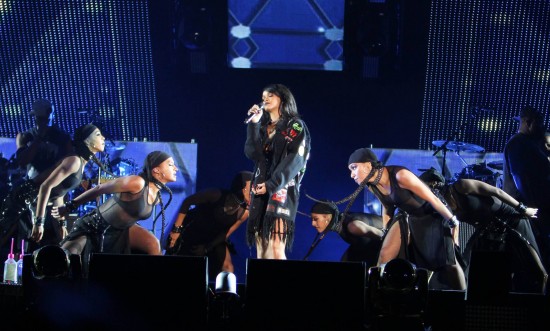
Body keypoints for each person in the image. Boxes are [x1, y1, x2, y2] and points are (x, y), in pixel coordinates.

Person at [346, 147, 466, 290]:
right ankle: (376, 298)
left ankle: (463, 298)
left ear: (368, 165)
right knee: (385, 255)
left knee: (449, 264)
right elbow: (387, 206)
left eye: (354, 168)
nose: (352, 175)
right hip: (408, 216)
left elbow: (433, 198)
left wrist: (453, 222)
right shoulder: (372, 185)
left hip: (433, 214)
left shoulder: (400, 175)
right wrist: (385, 230)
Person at [419, 168, 547, 293]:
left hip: (509, 218)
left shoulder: (460, 186)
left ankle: (542, 301)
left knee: (535, 267)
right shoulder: (441, 206)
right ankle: (466, 300)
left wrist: (523, 209)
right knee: (468, 263)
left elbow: (497, 192)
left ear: (434, 184)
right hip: (487, 228)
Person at [53, 151, 177, 276]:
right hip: (96, 226)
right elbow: (99, 188)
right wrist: (70, 205)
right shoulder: (137, 182)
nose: (175, 168)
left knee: (153, 244)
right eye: (171, 165)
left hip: (121, 230)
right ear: (156, 170)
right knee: (68, 258)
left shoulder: (156, 197)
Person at [0, 123, 108, 255]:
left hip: (35, 203)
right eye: (98, 134)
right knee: (9, 241)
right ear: (87, 141)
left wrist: (61, 224)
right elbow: (46, 186)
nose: (103, 138)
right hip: (24, 200)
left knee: (25, 248)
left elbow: (59, 194)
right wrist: (39, 222)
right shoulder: (74, 161)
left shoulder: (80, 163)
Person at [244, 83, 311, 259]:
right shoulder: (263, 126)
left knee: (275, 246)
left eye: (270, 95)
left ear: (283, 99)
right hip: (260, 188)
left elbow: (296, 158)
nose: (264, 98)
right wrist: (254, 125)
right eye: (263, 95)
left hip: (281, 188)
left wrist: (272, 183)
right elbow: (252, 153)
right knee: (261, 246)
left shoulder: (295, 126)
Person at [165, 171, 253, 279]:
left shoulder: (244, 213)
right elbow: (187, 202)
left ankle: (224, 294)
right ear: (242, 186)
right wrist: (176, 231)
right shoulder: (216, 194)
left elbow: (226, 234)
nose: (254, 191)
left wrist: (207, 248)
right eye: (251, 187)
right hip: (193, 230)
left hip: (214, 238)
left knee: (227, 267)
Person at [503, 105, 550, 272]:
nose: (544, 127)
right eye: (541, 123)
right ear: (529, 122)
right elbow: (522, 180)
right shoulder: (519, 144)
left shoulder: (529, 144)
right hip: (529, 215)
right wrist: (534, 211)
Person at [305, 200, 383, 267]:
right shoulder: (341, 222)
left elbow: (383, 236)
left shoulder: (353, 226)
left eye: (315, 219)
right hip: (370, 246)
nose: (313, 224)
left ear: (327, 217)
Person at [15, 98, 72, 181]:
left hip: (55, 184)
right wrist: (39, 138)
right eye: (39, 119)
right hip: (32, 184)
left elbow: (69, 163)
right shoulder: (26, 136)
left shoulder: (63, 137)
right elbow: (22, 162)